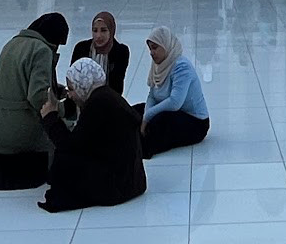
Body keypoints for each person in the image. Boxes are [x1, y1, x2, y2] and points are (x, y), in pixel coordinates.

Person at [0, 12, 69, 189]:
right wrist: (65, 109)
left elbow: (16, 84)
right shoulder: (42, 50)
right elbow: (38, 97)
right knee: (66, 127)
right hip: (17, 137)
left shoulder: (12, 43)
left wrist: (56, 89)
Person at [39, 57, 146, 214]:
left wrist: (50, 117)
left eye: (72, 89)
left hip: (117, 187)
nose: (70, 95)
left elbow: (70, 146)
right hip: (132, 181)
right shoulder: (106, 96)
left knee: (64, 160)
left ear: (83, 85)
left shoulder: (97, 104)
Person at [137, 26, 209, 155]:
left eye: (155, 48)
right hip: (173, 113)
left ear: (166, 46)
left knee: (159, 121)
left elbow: (175, 103)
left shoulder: (181, 66)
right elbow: (152, 95)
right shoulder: (158, 65)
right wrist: (145, 116)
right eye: (150, 48)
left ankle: (139, 148)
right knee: (134, 111)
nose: (151, 53)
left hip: (195, 122)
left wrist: (147, 118)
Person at [70, 11, 129, 95]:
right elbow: (73, 79)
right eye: (95, 30)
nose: (98, 36)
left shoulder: (121, 51)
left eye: (103, 30)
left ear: (111, 31)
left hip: (109, 100)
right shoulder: (81, 48)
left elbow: (117, 85)